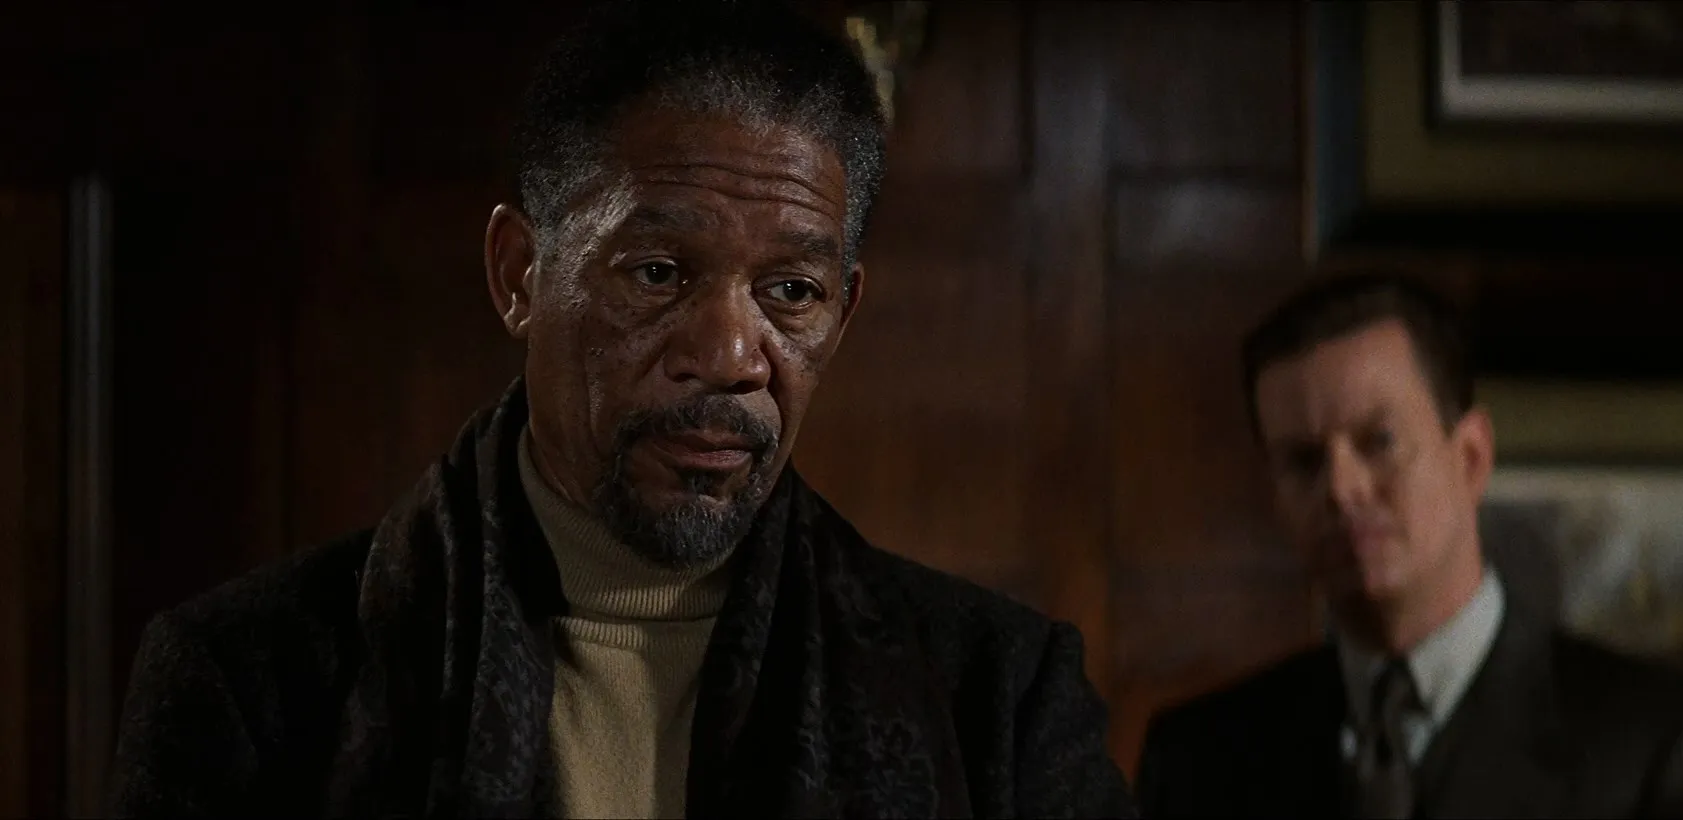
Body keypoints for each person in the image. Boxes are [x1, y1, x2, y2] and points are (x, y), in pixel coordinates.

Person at [107, 2, 1137, 816]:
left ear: (844, 310)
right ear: (518, 274)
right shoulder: (253, 687)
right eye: (657, 271)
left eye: (791, 292)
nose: (729, 357)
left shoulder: (995, 699)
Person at [1133, 273, 1683, 819]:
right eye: (1303, 462)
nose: (1342, 490)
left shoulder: (1664, 744)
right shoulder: (1196, 761)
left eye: (1379, 441)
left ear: (1470, 457)